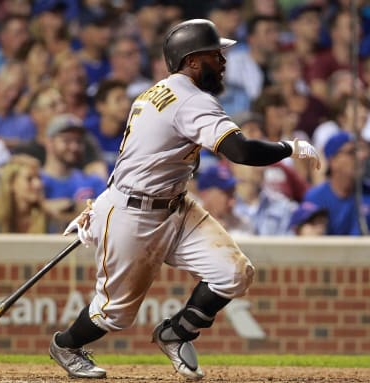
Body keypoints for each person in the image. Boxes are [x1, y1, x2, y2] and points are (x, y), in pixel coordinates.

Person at [48, 19, 320, 380]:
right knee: (115, 314)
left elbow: (139, 156)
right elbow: (240, 151)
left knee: (233, 273)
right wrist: (290, 146)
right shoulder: (190, 100)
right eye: (215, 55)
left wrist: (102, 202)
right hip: (134, 215)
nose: (223, 61)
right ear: (192, 61)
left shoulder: (158, 91)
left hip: (173, 205)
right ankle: (65, 345)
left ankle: (175, 334)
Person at [304, 131, 370, 235]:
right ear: (332, 161)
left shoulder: (367, 192)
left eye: (360, 151)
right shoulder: (316, 198)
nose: (361, 156)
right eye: (351, 152)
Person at [0, 154, 51, 233]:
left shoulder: (50, 222)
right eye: (29, 179)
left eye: (39, 178)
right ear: (11, 184)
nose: (38, 184)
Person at [197, 164, 253, 235]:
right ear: (205, 194)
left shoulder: (243, 226)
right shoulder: (186, 225)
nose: (232, 202)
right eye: (226, 194)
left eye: (233, 194)